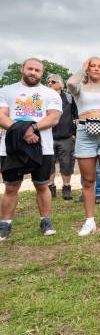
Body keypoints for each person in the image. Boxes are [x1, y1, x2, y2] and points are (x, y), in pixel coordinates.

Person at [0, 58, 61, 239]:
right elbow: (1, 116)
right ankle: (5, 224)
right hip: (11, 147)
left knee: (42, 185)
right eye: (30, 69)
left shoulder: (51, 94)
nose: (33, 72)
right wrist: (23, 132)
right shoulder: (6, 90)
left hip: (43, 148)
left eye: (37, 70)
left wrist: (31, 128)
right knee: (11, 187)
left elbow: (53, 118)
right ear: (22, 69)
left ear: (42, 73)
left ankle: (45, 221)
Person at [67, 57, 100, 236]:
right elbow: (70, 83)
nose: (97, 69)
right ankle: (89, 221)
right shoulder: (79, 89)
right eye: (94, 66)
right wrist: (83, 68)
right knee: (88, 180)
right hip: (84, 132)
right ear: (87, 68)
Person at [47, 74, 78, 200]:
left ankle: (66, 188)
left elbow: (77, 117)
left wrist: (75, 134)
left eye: (53, 81)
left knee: (67, 164)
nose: (50, 83)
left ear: (61, 84)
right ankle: (50, 188)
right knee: (49, 164)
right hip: (48, 137)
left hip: (66, 138)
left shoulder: (69, 98)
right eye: (48, 81)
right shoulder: (44, 98)